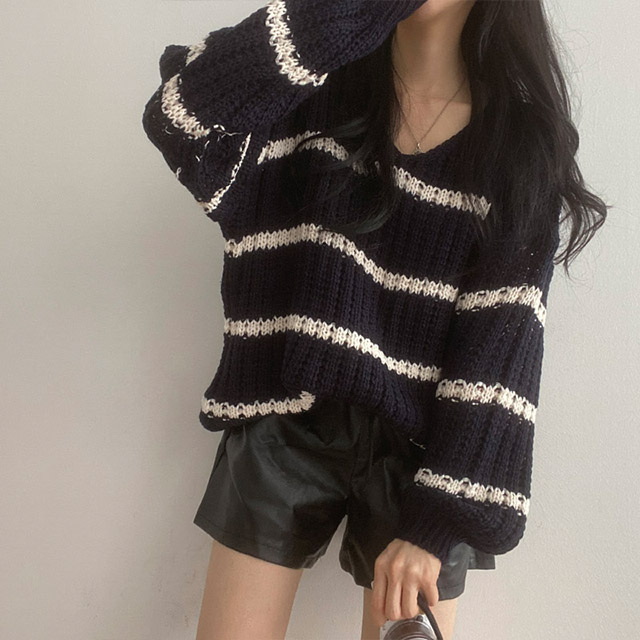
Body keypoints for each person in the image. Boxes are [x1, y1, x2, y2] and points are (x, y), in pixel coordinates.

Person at [140, 1, 608, 638]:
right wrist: (339, 15)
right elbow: (179, 118)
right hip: (287, 416)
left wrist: (437, 524)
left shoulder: (517, 144)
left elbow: (502, 351)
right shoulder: (307, 91)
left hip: (423, 457)